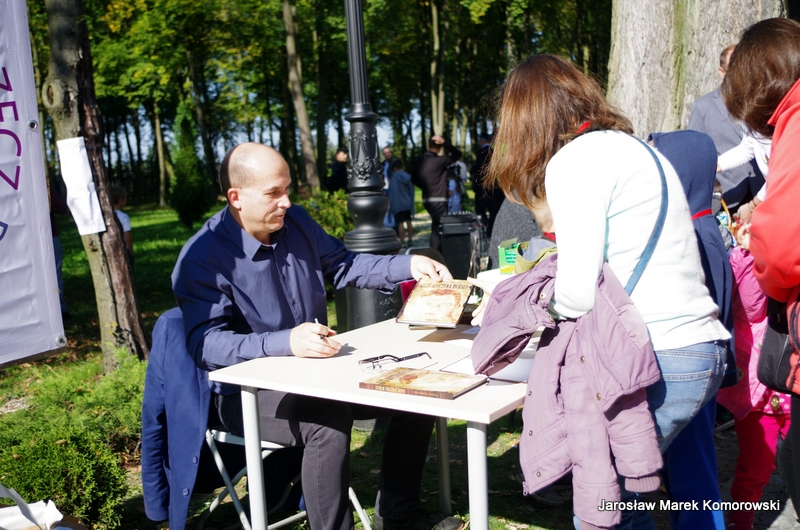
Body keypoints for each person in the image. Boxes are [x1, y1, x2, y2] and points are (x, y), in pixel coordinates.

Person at [485, 54, 729, 528]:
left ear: (525, 121)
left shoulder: (574, 162)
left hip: (661, 356)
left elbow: (577, 292)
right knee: (629, 504)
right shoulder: (635, 148)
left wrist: (534, 305)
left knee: (600, 508)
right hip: (700, 347)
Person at [172, 142, 462, 530]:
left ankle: (398, 515)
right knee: (328, 421)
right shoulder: (202, 258)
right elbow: (205, 344)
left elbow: (344, 265)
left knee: (415, 391)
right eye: (274, 193)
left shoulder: (297, 222)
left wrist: (407, 264)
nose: (287, 202)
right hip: (246, 395)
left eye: (287, 189)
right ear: (236, 198)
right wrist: (284, 342)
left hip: (319, 373)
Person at [721, 17, 800, 519]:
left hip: (772, 376)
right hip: (765, 386)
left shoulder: (796, 120)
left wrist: (758, 241)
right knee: (764, 467)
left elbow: (782, 252)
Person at [649, 130, 734, 530]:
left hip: (690, 359)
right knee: (687, 471)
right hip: (698, 362)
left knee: (694, 477)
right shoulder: (700, 227)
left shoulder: (697, 237)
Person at [716, 231, 791, 530]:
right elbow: (749, 305)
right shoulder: (748, 263)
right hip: (758, 394)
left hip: (793, 388)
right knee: (755, 469)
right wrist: (757, 254)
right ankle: (741, 520)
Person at [688, 45, 764, 210]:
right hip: (726, 198)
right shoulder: (702, 107)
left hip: (763, 192)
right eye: (734, 71)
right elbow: (694, 155)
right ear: (721, 72)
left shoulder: (761, 102)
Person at [412, 135, 461, 252]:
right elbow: (457, 154)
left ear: (428, 145)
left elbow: (413, 179)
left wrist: (426, 187)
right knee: (437, 230)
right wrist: (444, 142)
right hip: (439, 200)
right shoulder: (440, 161)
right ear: (440, 147)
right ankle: (436, 255)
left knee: (436, 227)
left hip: (427, 199)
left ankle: (438, 254)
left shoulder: (420, 161)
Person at [471, 133, 503, 236]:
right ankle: (492, 229)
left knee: (480, 209)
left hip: (482, 186)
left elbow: (478, 167)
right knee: (494, 209)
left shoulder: (483, 152)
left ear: (482, 141)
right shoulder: (494, 152)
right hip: (494, 186)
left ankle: (485, 229)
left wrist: (472, 170)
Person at [386, 158, 414, 247]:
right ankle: (410, 240)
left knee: (400, 223)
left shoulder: (393, 178)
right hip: (407, 203)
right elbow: (412, 191)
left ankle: (402, 242)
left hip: (398, 204)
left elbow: (392, 192)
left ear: (394, 168)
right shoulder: (408, 176)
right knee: (409, 221)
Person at [110, 186, 134, 263]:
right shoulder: (123, 216)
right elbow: (127, 236)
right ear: (121, 200)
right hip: (123, 249)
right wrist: (131, 251)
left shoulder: (106, 216)